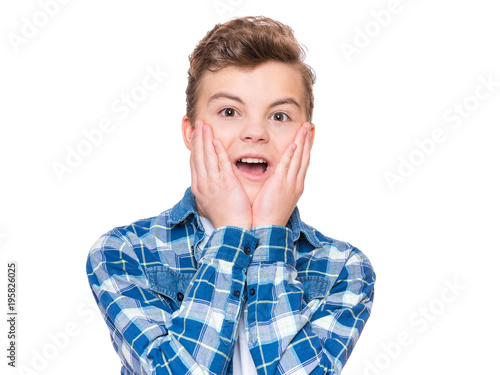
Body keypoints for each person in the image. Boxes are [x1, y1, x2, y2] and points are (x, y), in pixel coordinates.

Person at [86, 15, 375, 375]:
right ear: (190, 132)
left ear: (307, 138)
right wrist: (231, 235)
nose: (255, 132)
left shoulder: (343, 268)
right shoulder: (124, 252)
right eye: (229, 111)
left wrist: (269, 232)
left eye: (280, 116)